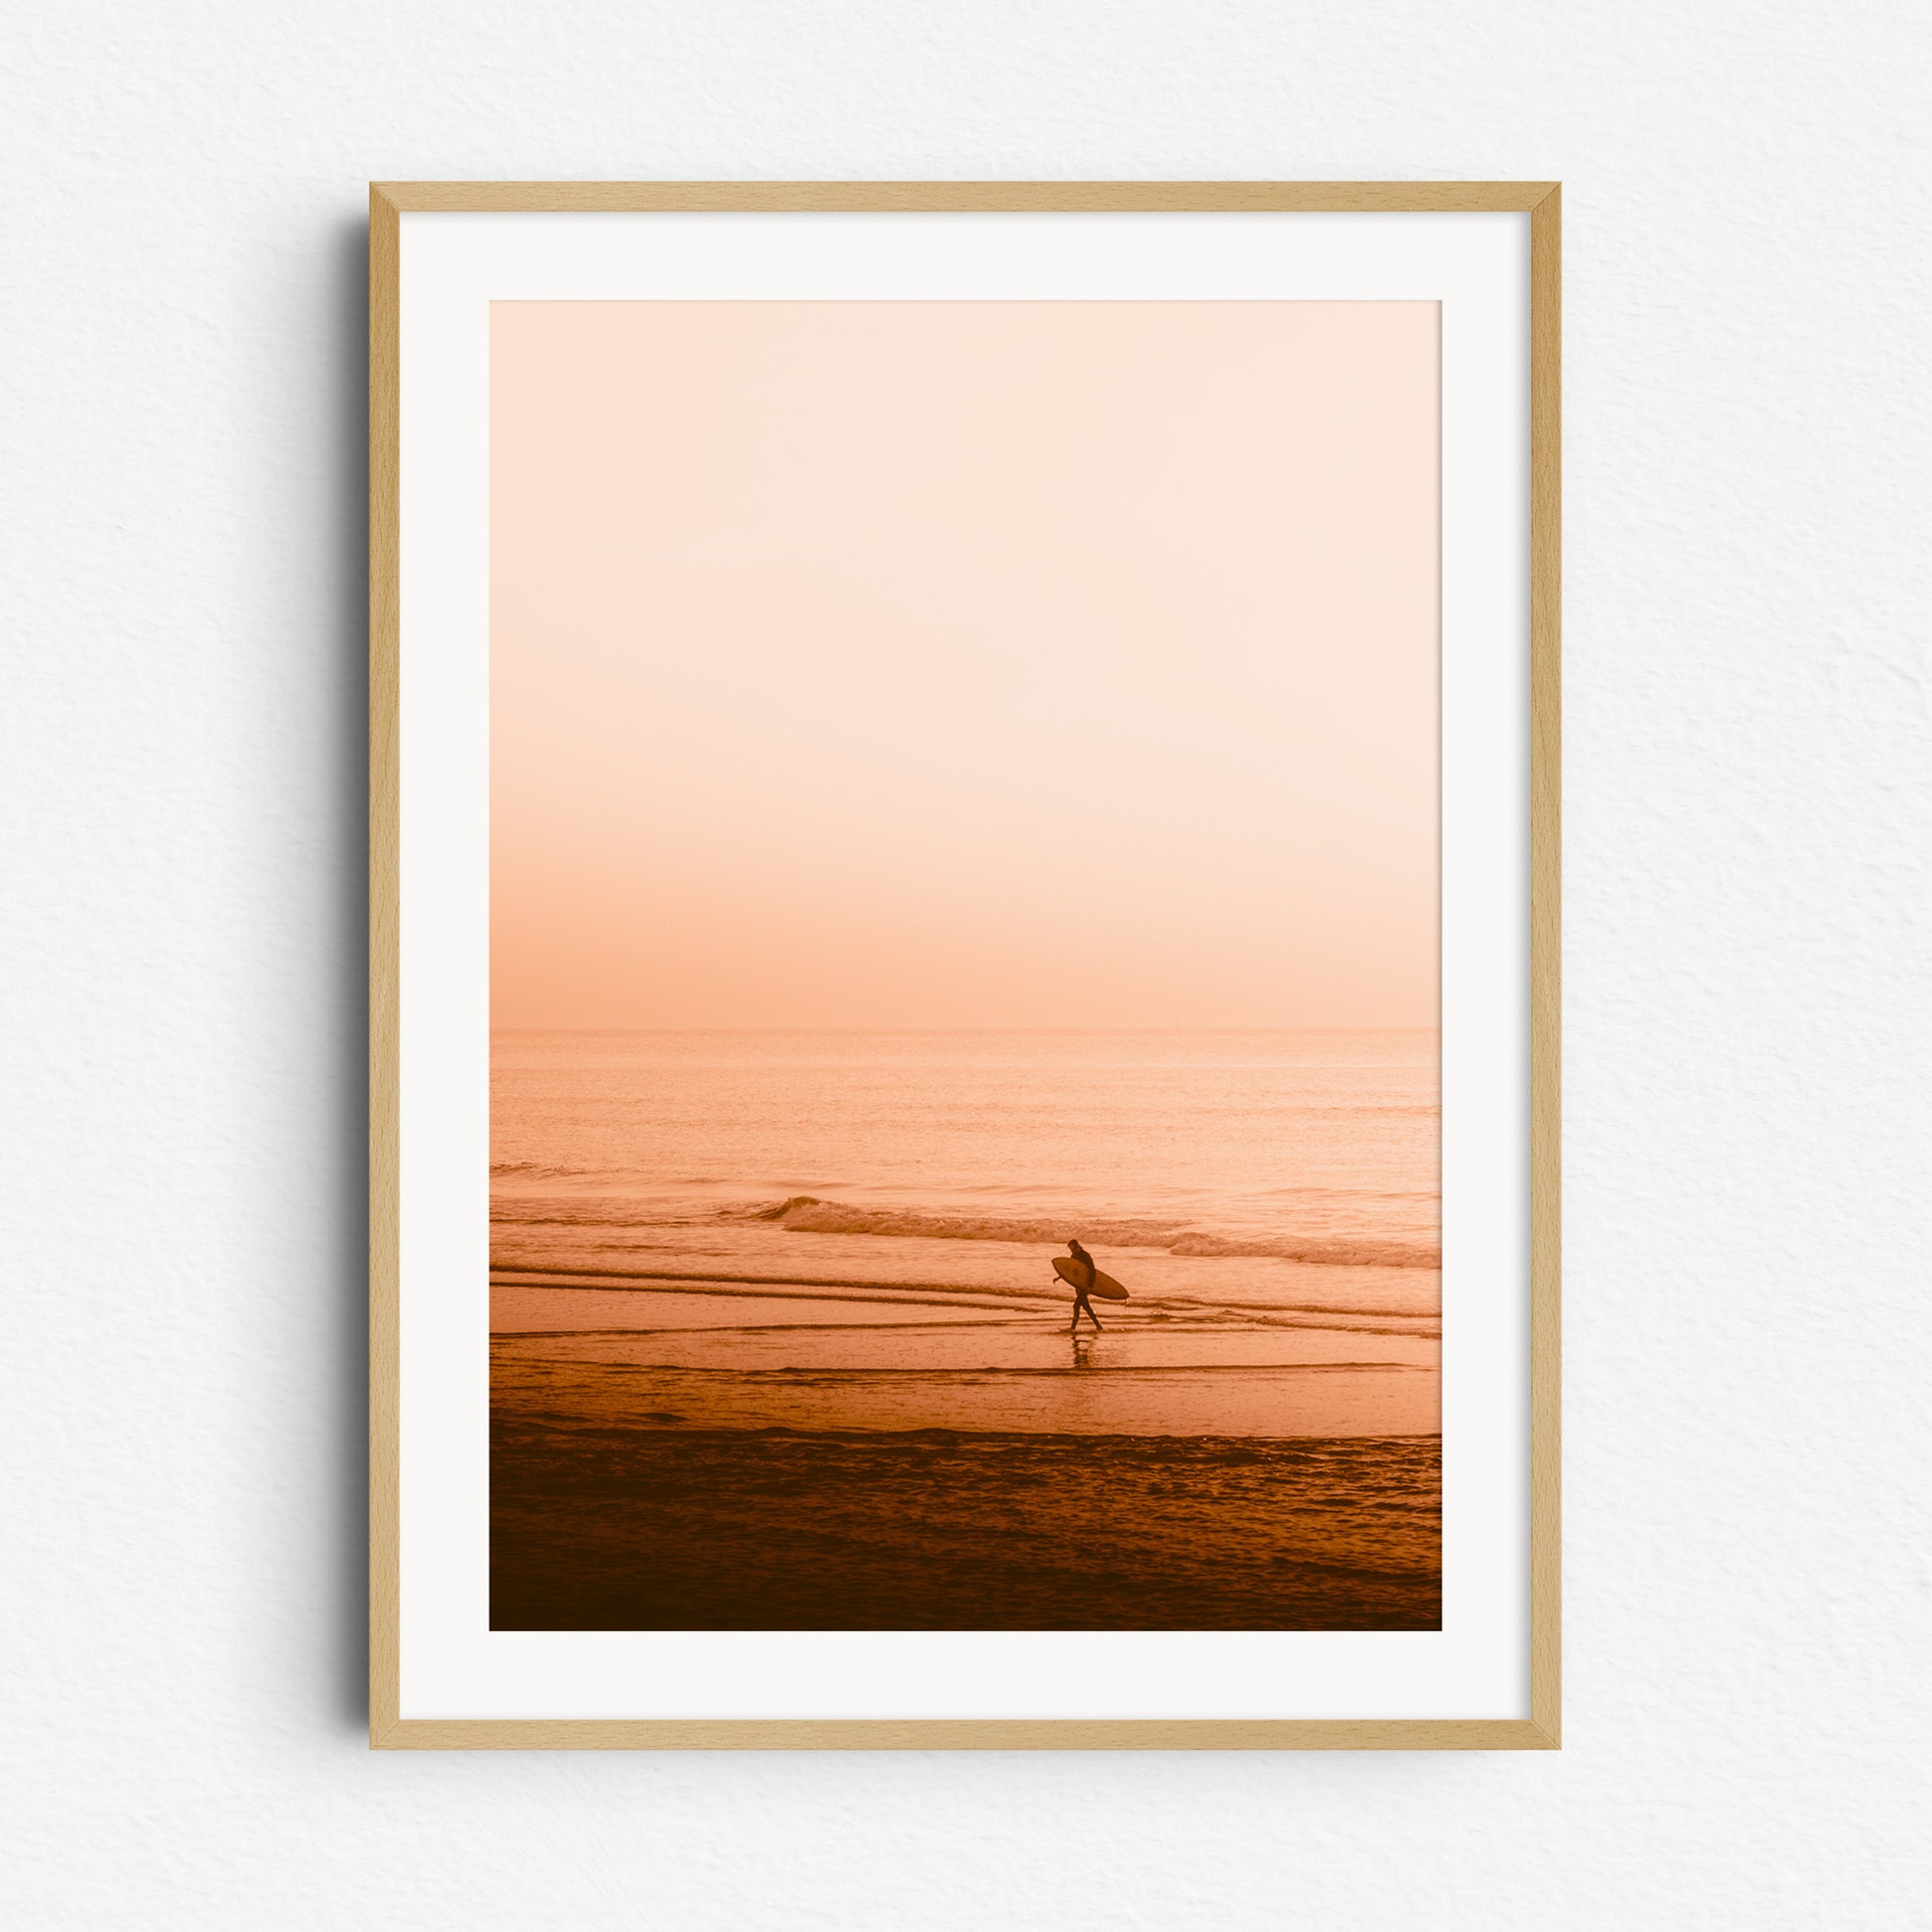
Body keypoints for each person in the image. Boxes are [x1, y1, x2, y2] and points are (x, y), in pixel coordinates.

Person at [1064, 1238, 1104, 1334]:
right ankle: (1098, 1326)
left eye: (1072, 1249)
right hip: (1078, 1284)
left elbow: (1092, 1271)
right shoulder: (1073, 1256)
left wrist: (1090, 1286)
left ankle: (1073, 1327)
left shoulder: (1085, 1255)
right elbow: (1072, 1271)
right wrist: (1060, 1276)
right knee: (1086, 1307)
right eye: (1070, 1249)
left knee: (1076, 1305)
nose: (1071, 1251)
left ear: (1077, 1246)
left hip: (1085, 1285)